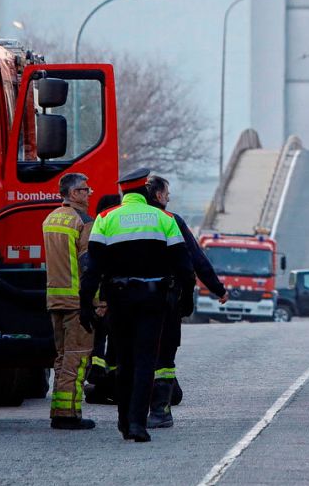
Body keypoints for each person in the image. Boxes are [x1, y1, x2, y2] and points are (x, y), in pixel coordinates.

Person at [79, 188, 188, 442]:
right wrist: (186, 299)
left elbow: (93, 268)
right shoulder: (165, 219)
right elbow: (183, 264)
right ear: (145, 192)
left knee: (124, 360)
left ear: (124, 191)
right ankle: (138, 423)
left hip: (119, 300)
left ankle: (124, 420)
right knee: (145, 362)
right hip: (153, 301)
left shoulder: (106, 218)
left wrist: (86, 304)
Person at [121, 169, 226, 424]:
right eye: (167, 194)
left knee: (132, 354)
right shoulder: (169, 220)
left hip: (123, 299)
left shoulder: (113, 218)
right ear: (158, 195)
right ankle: (160, 411)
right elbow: (191, 261)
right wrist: (214, 289)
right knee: (164, 356)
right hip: (163, 299)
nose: (168, 198)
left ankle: (130, 415)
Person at [42, 172, 95, 430]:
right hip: (77, 301)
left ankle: (59, 408)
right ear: (73, 194)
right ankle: (68, 414)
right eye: (85, 190)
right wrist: (98, 302)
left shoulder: (51, 218)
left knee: (62, 357)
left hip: (55, 299)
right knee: (78, 358)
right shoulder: (83, 221)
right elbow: (89, 267)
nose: (89, 193)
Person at [82, 193, 121, 406]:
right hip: (105, 300)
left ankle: (98, 373)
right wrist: (102, 301)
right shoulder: (105, 230)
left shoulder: (95, 227)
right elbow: (100, 269)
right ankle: (105, 376)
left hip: (97, 298)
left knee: (98, 340)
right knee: (108, 340)